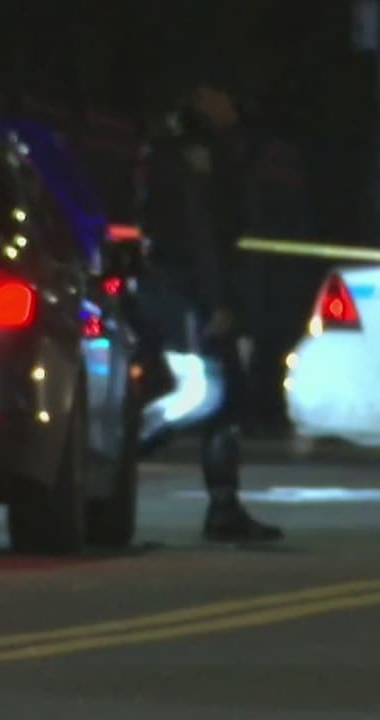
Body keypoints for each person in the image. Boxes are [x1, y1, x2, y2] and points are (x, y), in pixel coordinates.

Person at [133, 81, 283, 543]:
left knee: (226, 398)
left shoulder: (194, 144)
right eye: (224, 96)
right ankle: (117, 453)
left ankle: (224, 507)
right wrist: (217, 302)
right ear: (202, 98)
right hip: (185, 289)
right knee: (205, 393)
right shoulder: (189, 151)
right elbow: (198, 232)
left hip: (192, 286)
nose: (233, 106)